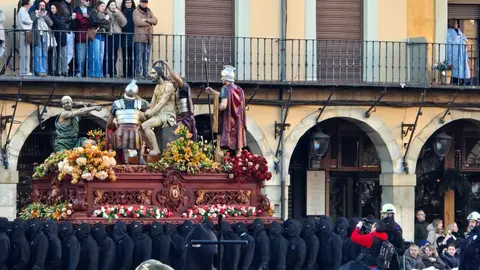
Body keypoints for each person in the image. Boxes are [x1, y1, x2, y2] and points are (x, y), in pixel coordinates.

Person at [205, 65, 247, 161]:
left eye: (222, 77)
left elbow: (224, 104)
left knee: (221, 145)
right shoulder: (239, 89)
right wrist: (213, 92)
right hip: (238, 122)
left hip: (228, 122)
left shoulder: (225, 88)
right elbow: (229, 97)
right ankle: (239, 165)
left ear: (226, 78)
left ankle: (221, 164)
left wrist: (217, 108)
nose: (221, 79)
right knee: (238, 147)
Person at [107, 80, 148, 163]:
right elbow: (148, 106)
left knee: (114, 145)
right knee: (139, 139)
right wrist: (138, 97)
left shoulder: (116, 104)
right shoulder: (141, 104)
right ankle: (140, 158)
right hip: (136, 134)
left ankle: (115, 162)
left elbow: (109, 122)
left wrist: (112, 127)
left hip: (120, 133)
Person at [141, 64, 176, 155]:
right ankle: (152, 147)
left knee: (145, 126)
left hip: (167, 115)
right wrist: (140, 103)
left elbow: (161, 103)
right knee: (140, 128)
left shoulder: (169, 86)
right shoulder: (157, 87)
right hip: (158, 114)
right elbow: (152, 104)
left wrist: (151, 113)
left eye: (153, 73)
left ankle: (156, 149)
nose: (151, 75)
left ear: (159, 74)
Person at [161, 59, 198, 141]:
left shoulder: (183, 87)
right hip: (178, 118)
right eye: (169, 78)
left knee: (175, 134)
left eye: (171, 78)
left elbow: (176, 77)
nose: (170, 79)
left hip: (186, 119)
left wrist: (166, 64)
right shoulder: (173, 90)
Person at [133, 0, 157, 78]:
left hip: (148, 37)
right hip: (139, 37)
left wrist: (146, 20)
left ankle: (145, 73)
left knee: (146, 57)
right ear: (140, 3)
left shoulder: (149, 11)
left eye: (145, 2)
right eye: (142, 2)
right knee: (139, 57)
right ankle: (138, 73)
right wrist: (150, 23)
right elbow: (138, 22)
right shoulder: (136, 11)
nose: (144, 4)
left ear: (147, 3)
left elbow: (155, 21)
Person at [30, 0, 53, 77]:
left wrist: (44, 16)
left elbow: (51, 23)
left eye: (43, 5)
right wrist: (37, 15)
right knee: (37, 53)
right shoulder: (34, 12)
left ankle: (44, 70)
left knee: (44, 54)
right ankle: (38, 70)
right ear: (38, 6)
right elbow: (31, 20)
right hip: (37, 35)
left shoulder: (47, 14)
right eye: (41, 5)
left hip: (45, 36)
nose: (42, 7)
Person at [88, 1, 111, 78]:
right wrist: (104, 20)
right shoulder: (94, 13)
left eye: (104, 6)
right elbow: (96, 22)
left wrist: (103, 23)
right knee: (96, 55)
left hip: (102, 36)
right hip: (96, 35)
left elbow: (108, 25)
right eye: (101, 6)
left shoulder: (105, 15)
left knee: (101, 55)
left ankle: (100, 73)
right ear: (98, 6)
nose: (103, 7)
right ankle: (96, 74)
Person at [104, 0, 126, 78]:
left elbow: (123, 23)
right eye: (111, 5)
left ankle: (113, 71)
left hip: (116, 34)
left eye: (114, 5)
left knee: (115, 54)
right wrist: (109, 17)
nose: (113, 6)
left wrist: (118, 13)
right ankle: (107, 71)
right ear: (109, 6)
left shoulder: (118, 13)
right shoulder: (105, 12)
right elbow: (105, 23)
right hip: (109, 34)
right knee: (108, 54)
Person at [447, 18, 471, 86]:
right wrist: (459, 39)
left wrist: (466, 43)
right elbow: (449, 41)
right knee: (455, 66)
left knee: (462, 65)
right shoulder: (448, 31)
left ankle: (463, 81)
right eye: (456, 23)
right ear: (453, 24)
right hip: (454, 51)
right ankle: (455, 80)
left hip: (461, 51)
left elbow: (464, 38)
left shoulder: (459, 30)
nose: (457, 24)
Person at [380, 203, 404, 270]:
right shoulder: (397, 226)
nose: (382, 215)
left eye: (384, 213)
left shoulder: (395, 227)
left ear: (390, 214)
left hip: (390, 256)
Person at [73, 0, 92, 78]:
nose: (88, 2)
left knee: (91, 56)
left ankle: (89, 73)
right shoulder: (76, 9)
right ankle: (80, 72)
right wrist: (85, 19)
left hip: (91, 35)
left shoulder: (91, 10)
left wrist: (88, 17)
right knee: (81, 56)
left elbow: (94, 20)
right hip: (80, 35)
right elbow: (79, 22)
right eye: (86, 0)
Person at [49, 2, 68, 76]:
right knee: (56, 54)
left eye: (53, 8)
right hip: (56, 37)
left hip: (62, 37)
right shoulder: (53, 16)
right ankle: (56, 70)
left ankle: (63, 70)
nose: (52, 10)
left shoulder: (62, 16)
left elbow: (61, 25)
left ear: (57, 9)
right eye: (51, 8)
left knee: (62, 54)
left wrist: (53, 17)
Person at [17, 0, 33, 76]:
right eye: (29, 3)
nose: (30, 4)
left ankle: (25, 71)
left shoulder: (23, 10)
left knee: (26, 52)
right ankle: (24, 71)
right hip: (24, 33)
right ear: (27, 4)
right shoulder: (22, 10)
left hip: (25, 33)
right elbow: (24, 20)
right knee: (24, 53)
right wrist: (31, 21)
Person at [120, 0, 136, 78]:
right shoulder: (122, 12)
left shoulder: (135, 12)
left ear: (132, 3)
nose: (128, 4)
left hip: (134, 36)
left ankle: (132, 73)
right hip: (124, 36)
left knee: (133, 56)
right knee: (125, 56)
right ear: (124, 4)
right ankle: (125, 73)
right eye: (127, 2)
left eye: (130, 2)